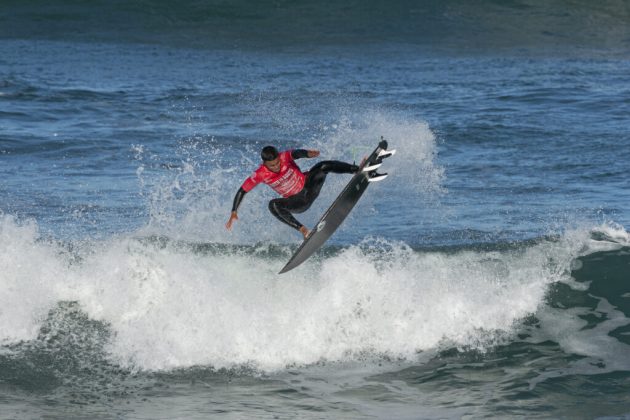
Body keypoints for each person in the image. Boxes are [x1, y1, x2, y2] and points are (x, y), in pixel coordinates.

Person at [226, 146, 358, 239]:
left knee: (323, 166)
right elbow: (242, 191)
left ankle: (357, 169)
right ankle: (304, 230)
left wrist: (307, 154)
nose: (276, 166)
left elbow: (296, 153)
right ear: (264, 163)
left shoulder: (284, 157)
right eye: (272, 165)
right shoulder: (259, 174)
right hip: (298, 202)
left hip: (310, 186)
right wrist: (234, 211)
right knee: (273, 205)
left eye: (277, 162)